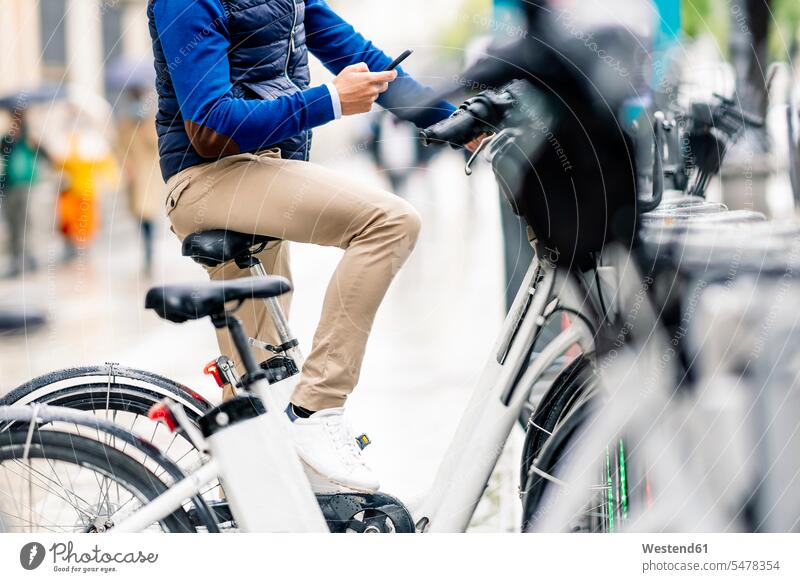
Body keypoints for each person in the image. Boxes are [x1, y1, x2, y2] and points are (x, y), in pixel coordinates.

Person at [149, 0, 483, 493]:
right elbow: (209, 124)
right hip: (208, 181)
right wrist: (328, 100)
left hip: (262, 177)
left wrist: (465, 125)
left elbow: (366, 61)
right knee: (389, 221)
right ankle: (317, 406)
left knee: (254, 397)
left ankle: (248, 517)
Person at [116, 88, 162, 276]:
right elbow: (119, 147)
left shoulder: (151, 122)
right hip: (134, 177)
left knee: (149, 214)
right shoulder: (125, 123)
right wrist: (125, 164)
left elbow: (157, 144)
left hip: (149, 176)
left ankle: (150, 252)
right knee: (139, 215)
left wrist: (145, 126)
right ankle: (146, 248)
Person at [0, 110, 47, 277]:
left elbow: (45, 154)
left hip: (27, 184)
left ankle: (29, 255)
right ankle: (16, 257)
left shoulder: (30, 139)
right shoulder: (7, 140)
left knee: (27, 221)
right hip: (9, 184)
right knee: (13, 222)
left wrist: (33, 139)